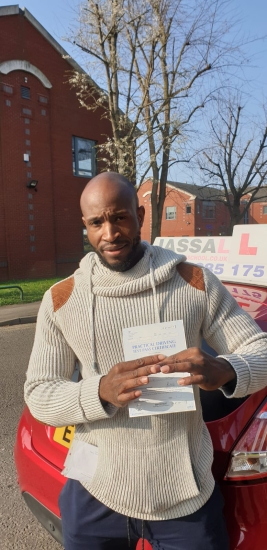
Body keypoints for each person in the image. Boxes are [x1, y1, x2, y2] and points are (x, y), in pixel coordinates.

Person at [25, 171, 267, 550]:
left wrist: (225, 369)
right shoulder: (61, 300)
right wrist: (99, 391)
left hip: (184, 495)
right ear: (85, 227)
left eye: (119, 217)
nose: (110, 233)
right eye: (96, 222)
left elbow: (261, 350)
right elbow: (39, 393)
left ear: (139, 214)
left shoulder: (195, 282)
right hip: (95, 492)